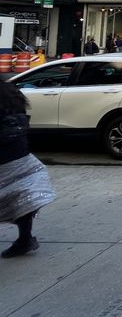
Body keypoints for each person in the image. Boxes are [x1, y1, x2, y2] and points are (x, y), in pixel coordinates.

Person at [0, 80, 55, 258]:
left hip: (5, 155)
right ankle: (25, 239)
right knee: (21, 198)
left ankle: (25, 240)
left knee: (17, 197)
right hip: (19, 152)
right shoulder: (10, 91)